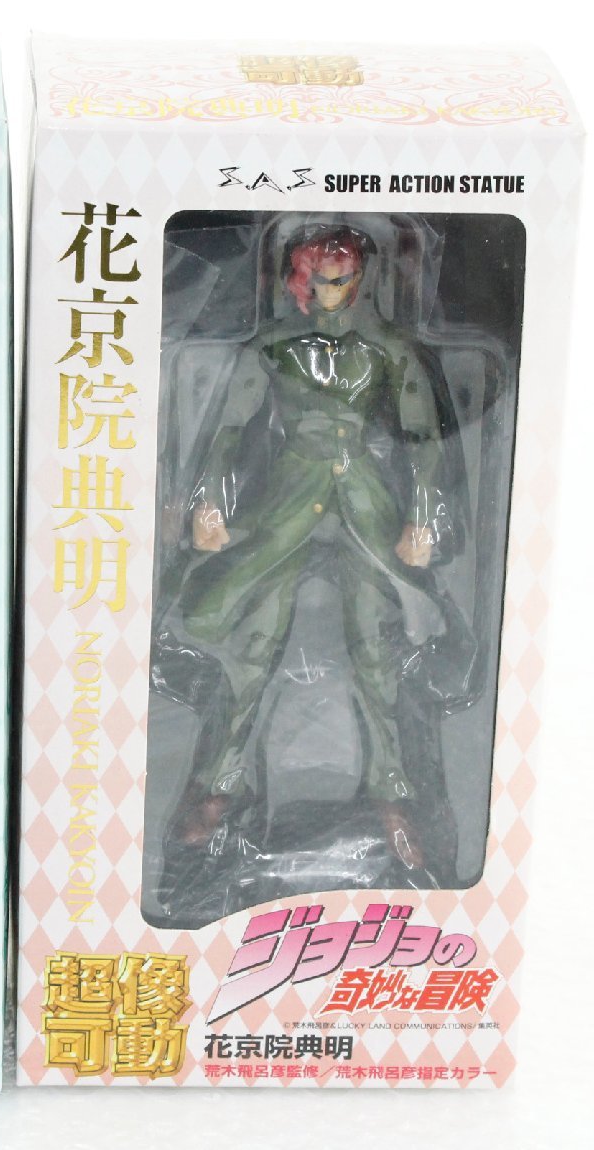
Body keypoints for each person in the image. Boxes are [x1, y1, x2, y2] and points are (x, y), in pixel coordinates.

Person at [165, 225, 453, 873]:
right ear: (301, 280)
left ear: (361, 280)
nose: (331, 292)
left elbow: (423, 437)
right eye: (321, 280)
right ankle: (220, 782)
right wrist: (209, 503)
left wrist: (423, 517)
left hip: (364, 504)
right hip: (287, 502)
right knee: (253, 643)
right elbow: (229, 428)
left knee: (376, 652)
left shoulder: (387, 348)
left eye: (342, 280)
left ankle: (393, 794)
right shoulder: (274, 346)